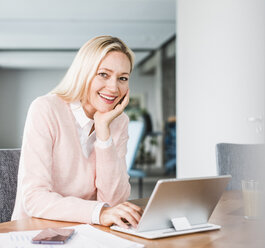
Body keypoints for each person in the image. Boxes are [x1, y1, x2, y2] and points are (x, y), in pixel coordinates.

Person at [11, 36, 142, 229]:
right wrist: (100, 212)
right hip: (36, 231)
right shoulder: (46, 109)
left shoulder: (118, 121)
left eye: (122, 78)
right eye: (103, 74)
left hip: (89, 230)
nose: (114, 88)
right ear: (84, 73)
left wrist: (104, 133)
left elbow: (114, 201)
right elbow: (34, 197)